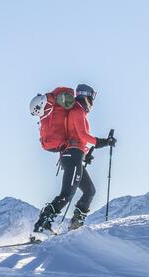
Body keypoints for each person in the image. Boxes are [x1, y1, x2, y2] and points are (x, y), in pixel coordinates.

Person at [33, 83, 116, 235]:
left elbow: (77, 136)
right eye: (92, 97)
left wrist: (86, 153)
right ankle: (42, 225)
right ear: (87, 96)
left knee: (89, 191)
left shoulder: (78, 110)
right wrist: (104, 142)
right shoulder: (77, 110)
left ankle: (75, 227)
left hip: (74, 155)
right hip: (72, 155)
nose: (93, 101)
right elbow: (83, 135)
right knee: (67, 193)